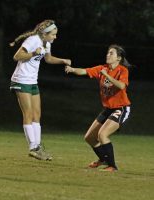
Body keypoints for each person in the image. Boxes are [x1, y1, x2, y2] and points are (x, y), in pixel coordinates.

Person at [9, 20, 71, 160]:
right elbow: (17, 56)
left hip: (32, 81)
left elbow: (48, 59)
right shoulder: (33, 40)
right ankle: (33, 147)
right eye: (53, 34)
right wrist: (32, 53)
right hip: (21, 79)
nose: (55, 37)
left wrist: (62, 60)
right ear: (45, 33)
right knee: (28, 113)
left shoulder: (46, 43)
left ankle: (37, 147)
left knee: (37, 114)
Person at [65, 44, 132, 172]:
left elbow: (122, 86)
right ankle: (103, 159)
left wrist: (106, 75)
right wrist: (73, 69)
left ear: (118, 58)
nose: (108, 55)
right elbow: (85, 71)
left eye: (111, 53)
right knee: (89, 137)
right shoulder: (102, 68)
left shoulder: (122, 70)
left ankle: (112, 166)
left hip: (121, 108)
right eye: (108, 53)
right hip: (108, 109)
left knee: (102, 134)